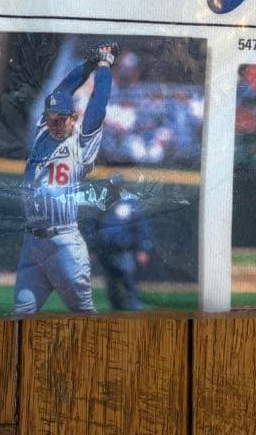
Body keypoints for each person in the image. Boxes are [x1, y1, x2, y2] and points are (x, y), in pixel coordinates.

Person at [13, 42, 118, 314]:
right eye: (51, 118)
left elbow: (98, 103)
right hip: (32, 244)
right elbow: (62, 90)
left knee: (83, 312)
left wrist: (103, 65)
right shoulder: (41, 134)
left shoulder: (81, 143)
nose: (56, 123)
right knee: (21, 312)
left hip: (64, 243)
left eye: (62, 118)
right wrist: (89, 62)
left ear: (73, 117)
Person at [94, 174, 154, 311]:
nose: (113, 189)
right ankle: (116, 307)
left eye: (116, 186)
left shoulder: (130, 203)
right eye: (111, 186)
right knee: (111, 282)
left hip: (124, 250)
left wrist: (143, 249)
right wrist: (94, 249)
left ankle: (134, 305)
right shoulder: (102, 204)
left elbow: (140, 227)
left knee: (128, 279)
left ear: (121, 187)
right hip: (106, 251)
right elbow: (96, 228)